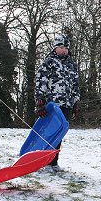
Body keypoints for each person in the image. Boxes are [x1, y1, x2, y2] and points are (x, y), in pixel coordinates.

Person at [34, 34, 80, 172]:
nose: (64, 50)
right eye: (61, 47)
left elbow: (76, 85)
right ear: (55, 48)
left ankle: (54, 162)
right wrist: (40, 100)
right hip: (51, 104)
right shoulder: (49, 62)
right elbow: (40, 81)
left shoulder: (72, 65)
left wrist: (76, 102)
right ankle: (43, 161)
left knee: (59, 133)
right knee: (49, 132)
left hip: (66, 104)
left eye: (66, 47)